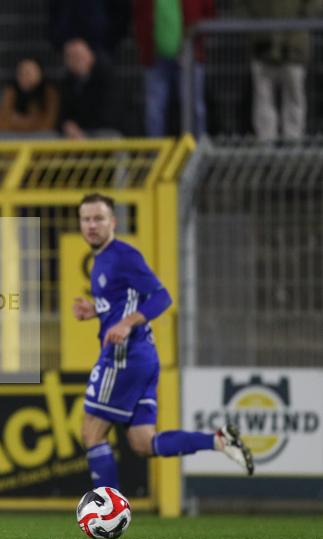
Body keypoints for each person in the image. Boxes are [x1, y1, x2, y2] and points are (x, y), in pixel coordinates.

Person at [73, 193, 254, 493]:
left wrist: (127, 322)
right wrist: (95, 310)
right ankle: (218, 441)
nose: (91, 225)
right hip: (144, 357)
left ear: (113, 222)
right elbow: (123, 302)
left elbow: (162, 297)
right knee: (142, 442)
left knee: (92, 433)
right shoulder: (101, 260)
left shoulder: (123, 256)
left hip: (123, 358)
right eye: (86, 219)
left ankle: (105, 511)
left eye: (98, 219)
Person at [234, 0, 322, 141]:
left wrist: (299, 22)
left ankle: (293, 144)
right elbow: (240, 6)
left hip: (294, 46)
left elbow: (315, 4)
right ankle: (266, 144)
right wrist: (253, 25)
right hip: (262, 45)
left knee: (294, 97)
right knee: (263, 99)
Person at [133, 0, 215, 138]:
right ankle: (157, 155)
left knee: (194, 107)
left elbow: (209, 12)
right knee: (154, 110)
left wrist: (197, 41)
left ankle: (198, 153)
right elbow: (139, 16)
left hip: (189, 55)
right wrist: (144, 44)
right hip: (155, 58)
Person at [58, 38, 114, 139]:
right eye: (71, 57)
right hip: (75, 135)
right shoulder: (65, 84)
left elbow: (109, 115)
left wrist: (82, 131)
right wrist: (69, 126)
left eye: (79, 56)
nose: (76, 60)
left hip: (103, 131)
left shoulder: (107, 79)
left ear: (91, 56)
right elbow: (62, 114)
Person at [0, 57, 59, 134]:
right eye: (21, 73)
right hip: (12, 142)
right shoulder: (10, 93)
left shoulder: (49, 94)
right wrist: (32, 121)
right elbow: (0, 125)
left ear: (40, 74)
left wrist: (17, 121)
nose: (24, 77)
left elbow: (47, 126)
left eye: (28, 73)